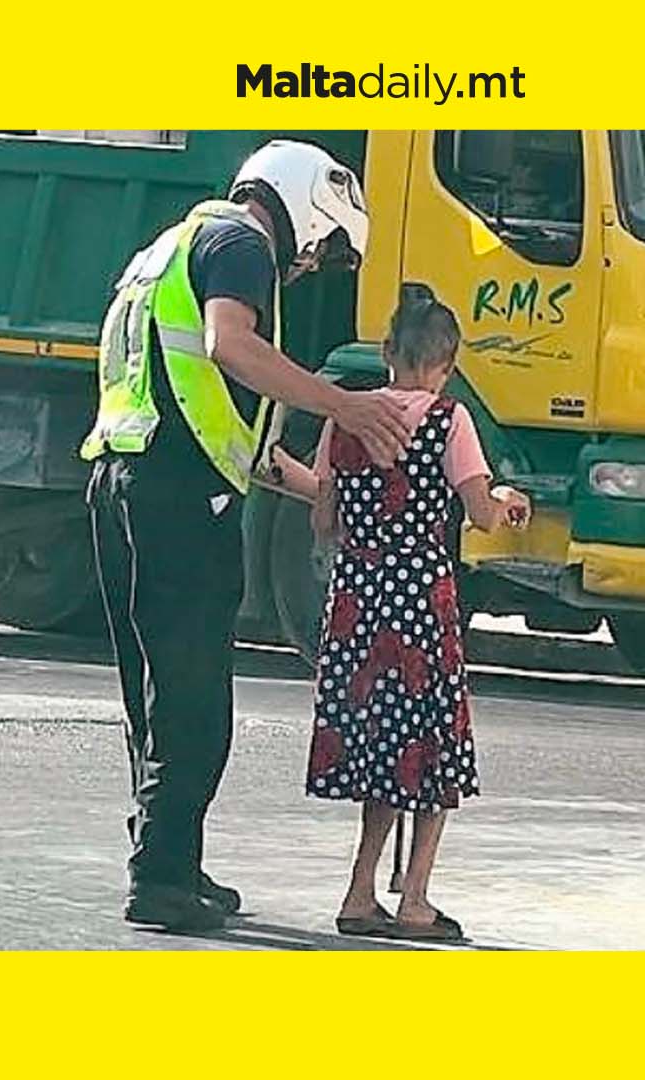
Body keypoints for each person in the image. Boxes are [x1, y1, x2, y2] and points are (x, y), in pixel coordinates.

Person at [80, 140, 413, 932]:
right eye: (324, 246)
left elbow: (223, 422)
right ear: (304, 206)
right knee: (194, 695)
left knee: (156, 690)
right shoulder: (241, 244)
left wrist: (320, 488)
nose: (311, 266)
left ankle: (171, 856)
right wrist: (344, 404)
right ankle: (160, 879)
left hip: (125, 479)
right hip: (174, 498)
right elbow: (233, 345)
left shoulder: (170, 248)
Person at [295, 284, 530, 942]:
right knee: (432, 751)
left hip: (356, 600)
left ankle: (360, 889)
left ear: (386, 351)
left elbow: (323, 518)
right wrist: (507, 498)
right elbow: (481, 513)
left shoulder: (345, 416)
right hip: (422, 599)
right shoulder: (448, 419)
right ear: (446, 363)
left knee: (377, 747)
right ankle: (417, 898)